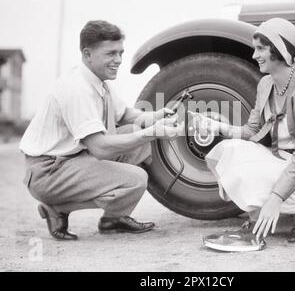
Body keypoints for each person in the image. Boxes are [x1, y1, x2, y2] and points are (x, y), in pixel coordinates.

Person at [20, 20, 183, 240]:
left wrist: (155, 116)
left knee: (140, 137)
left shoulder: (97, 82)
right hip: (48, 171)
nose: (118, 60)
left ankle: (113, 221)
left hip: (71, 159)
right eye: (111, 54)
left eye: (121, 53)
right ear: (88, 54)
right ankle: (59, 209)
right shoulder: (76, 88)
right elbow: (100, 149)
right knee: (135, 180)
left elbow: (124, 114)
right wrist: (153, 131)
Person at [190, 18, 295, 243]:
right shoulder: (265, 84)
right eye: (256, 48)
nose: (254, 55)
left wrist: (275, 198)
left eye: (261, 48)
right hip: (279, 161)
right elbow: (252, 131)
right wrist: (217, 126)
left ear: (280, 50)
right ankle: (266, 217)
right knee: (231, 150)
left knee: (255, 177)